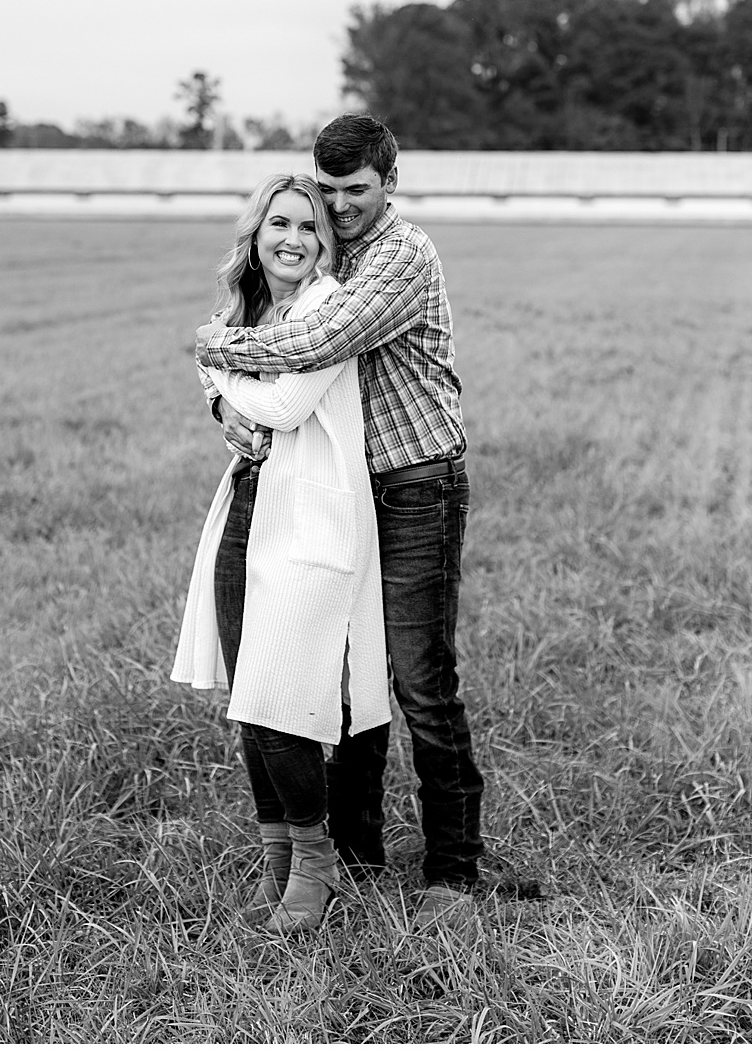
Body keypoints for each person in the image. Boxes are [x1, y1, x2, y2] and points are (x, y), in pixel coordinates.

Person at [195, 113, 481, 930]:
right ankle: (354, 855)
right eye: (330, 192)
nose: (342, 207)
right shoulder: (327, 245)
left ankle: (453, 875)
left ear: (389, 182)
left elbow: (318, 339)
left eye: (357, 191)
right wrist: (219, 394)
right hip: (348, 491)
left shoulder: (398, 254)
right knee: (351, 681)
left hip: (418, 482)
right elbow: (265, 317)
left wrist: (214, 353)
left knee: (422, 683)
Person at [173, 174, 390, 933]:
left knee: (279, 701)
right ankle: (278, 856)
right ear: (256, 235)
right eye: (279, 225)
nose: (293, 239)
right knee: (247, 699)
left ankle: (317, 862)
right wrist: (221, 382)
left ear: (326, 242)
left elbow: (287, 406)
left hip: (313, 522)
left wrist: (222, 371)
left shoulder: (328, 306)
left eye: (309, 227)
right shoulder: (247, 314)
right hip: (247, 510)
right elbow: (218, 381)